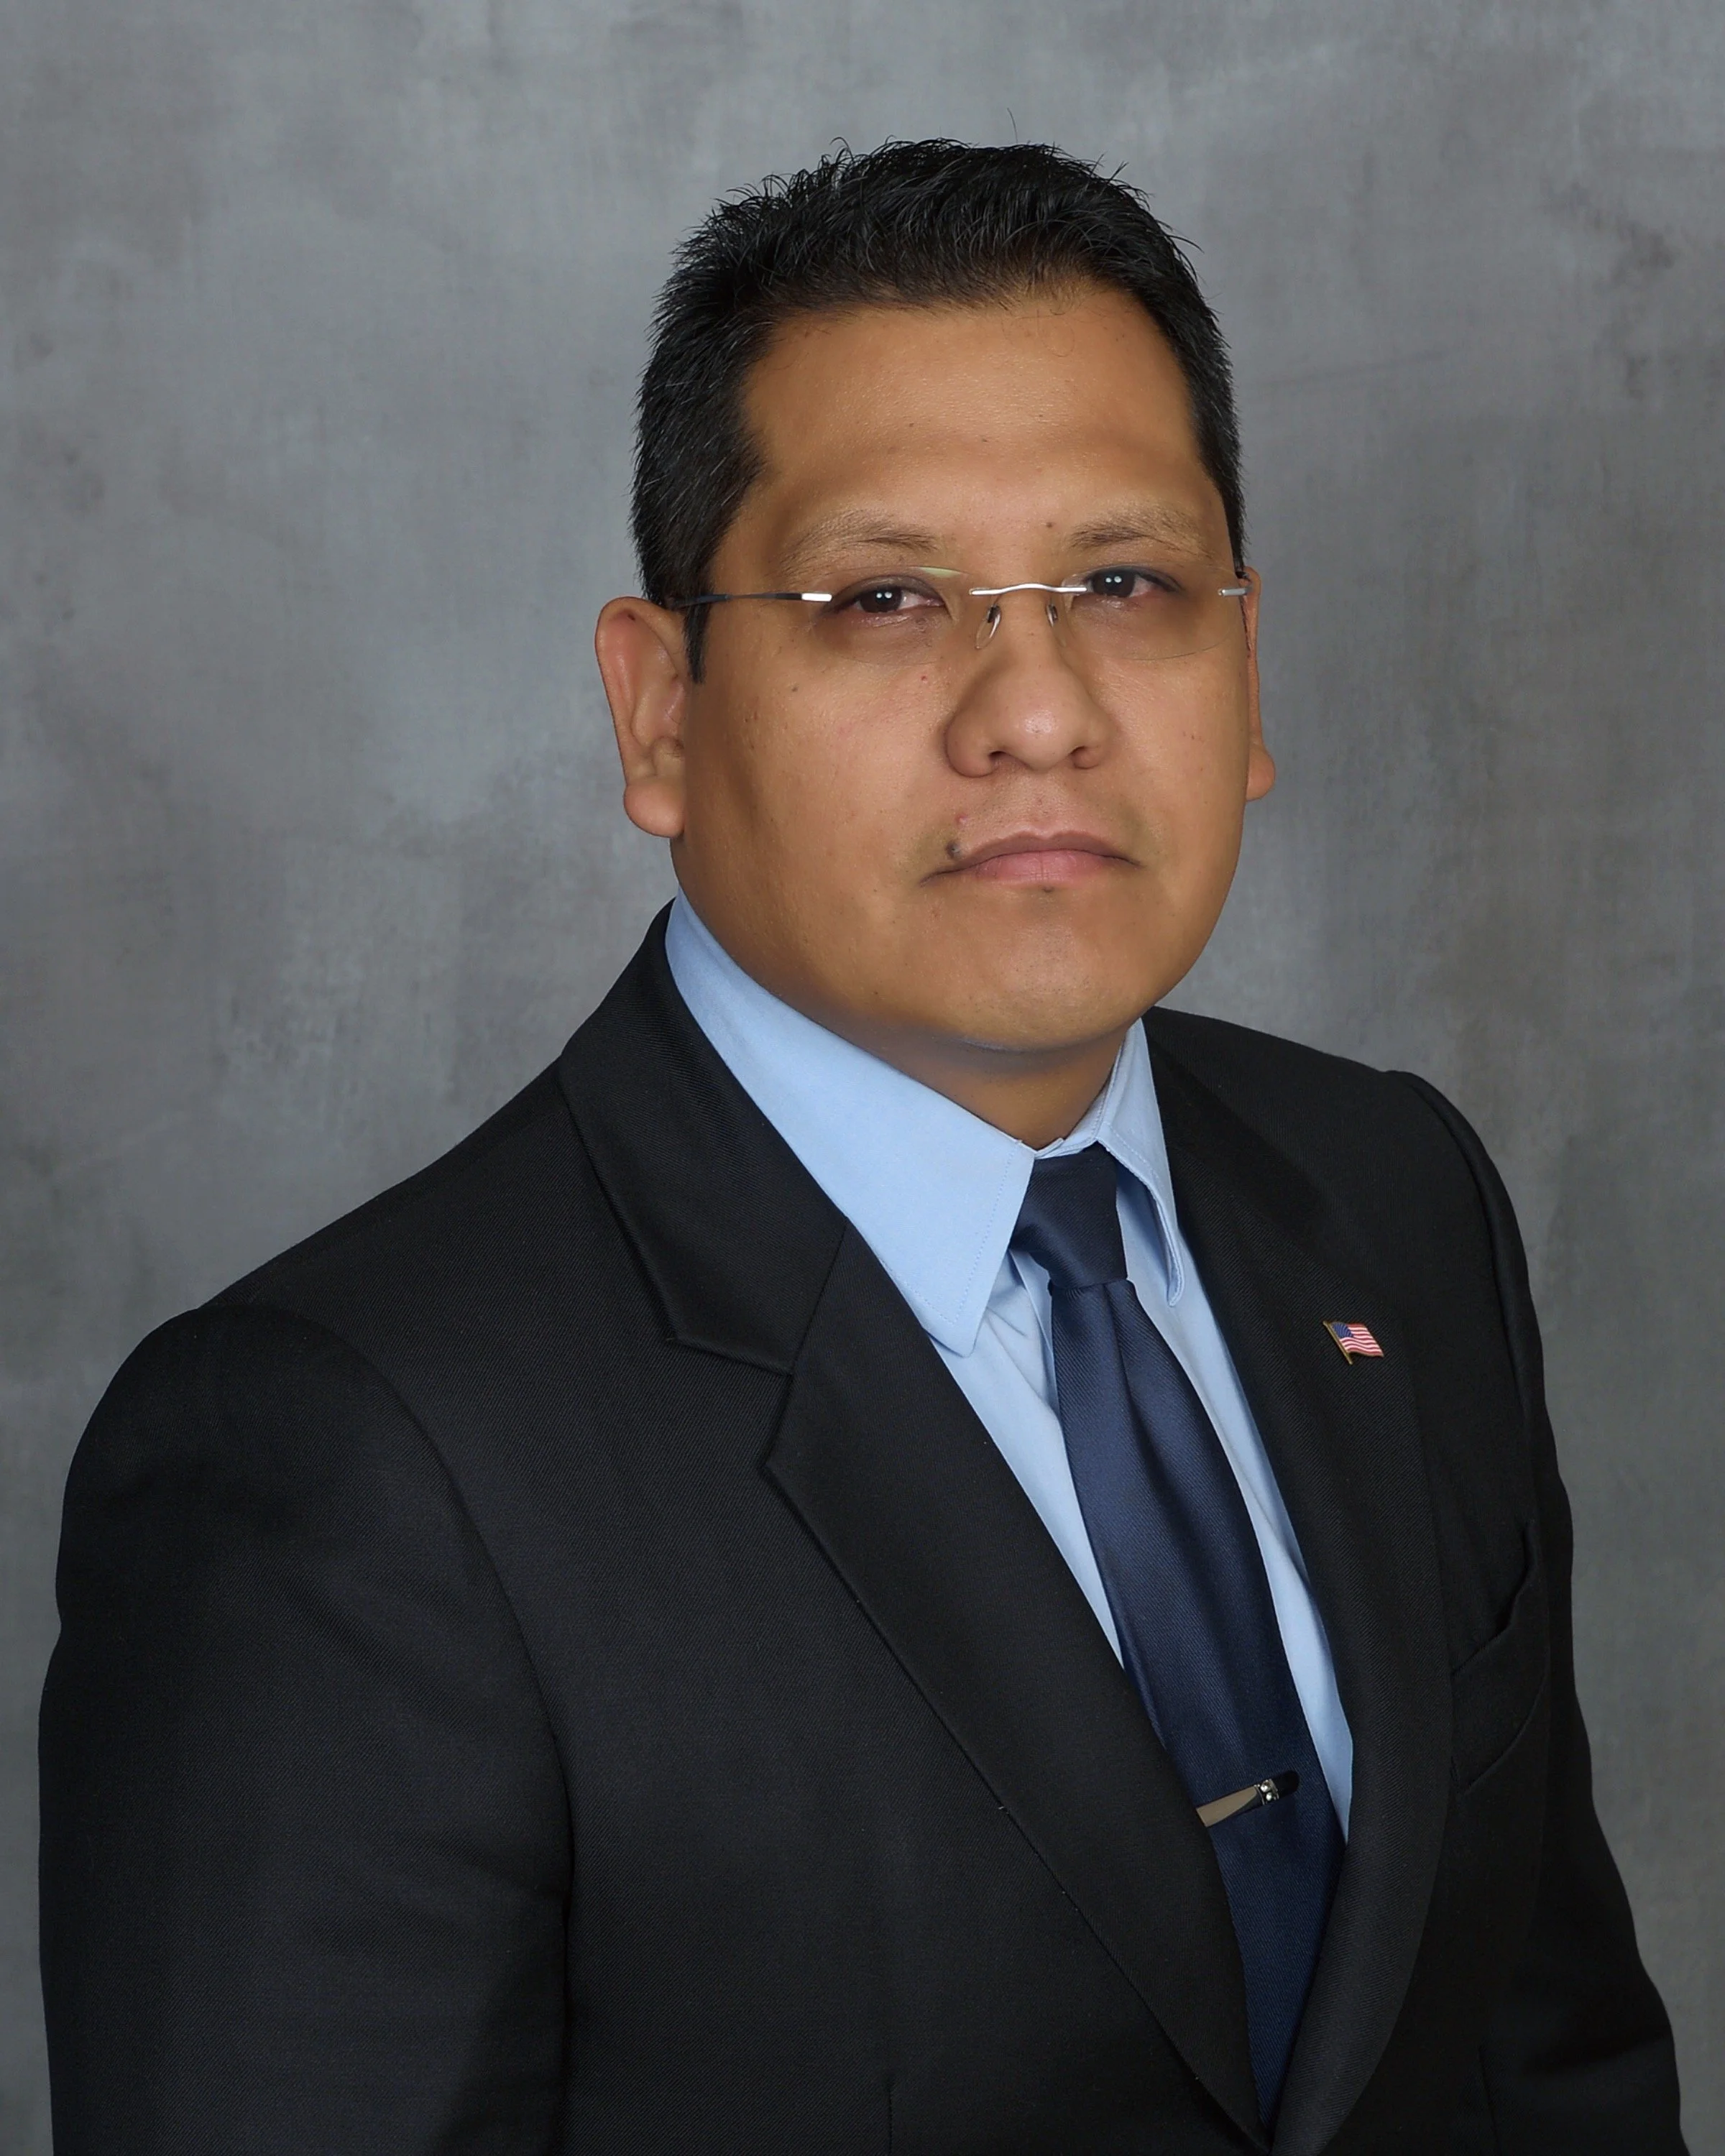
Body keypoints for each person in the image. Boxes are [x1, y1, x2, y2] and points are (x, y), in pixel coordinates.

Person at [39, 139, 1684, 2155]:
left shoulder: (1395, 1197)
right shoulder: (339, 1462)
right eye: (886, 599)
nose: (1038, 713)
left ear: (1247, 663)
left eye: (1125, 586)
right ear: (661, 712)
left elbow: (1545, 2068)